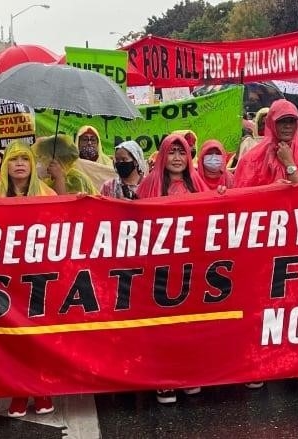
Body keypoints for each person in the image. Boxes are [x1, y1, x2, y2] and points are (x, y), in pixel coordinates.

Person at [0, 142, 57, 417]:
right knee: (11, 337)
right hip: (7, 278)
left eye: (25, 158)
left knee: (38, 336)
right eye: (14, 159)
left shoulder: (47, 193)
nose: (20, 164)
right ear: (6, 166)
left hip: (39, 276)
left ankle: (41, 390)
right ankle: (18, 392)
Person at [136, 134, 209, 404]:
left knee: (191, 325)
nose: (177, 158)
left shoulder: (198, 184)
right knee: (164, 326)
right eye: (172, 152)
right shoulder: (147, 186)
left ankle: (189, 374)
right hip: (160, 268)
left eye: (182, 152)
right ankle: (165, 379)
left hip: (193, 265)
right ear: (163, 155)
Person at [234, 99, 298, 188]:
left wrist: (289, 164)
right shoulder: (253, 158)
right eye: (282, 121)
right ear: (272, 123)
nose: (287, 126)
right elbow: (243, 196)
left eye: (291, 121)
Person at [32, 135, 98, 195]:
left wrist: (59, 178)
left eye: (42, 158)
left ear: (56, 160)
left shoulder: (76, 180)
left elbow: (65, 204)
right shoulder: (47, 180)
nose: (38, 162)